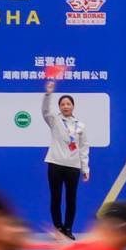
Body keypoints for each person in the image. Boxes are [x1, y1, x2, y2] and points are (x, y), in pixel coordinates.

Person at [41, 80, 90, 238]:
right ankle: (58, 228)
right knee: (56, 198)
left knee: (71, 199)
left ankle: (68, 229)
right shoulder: (54, 120)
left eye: (68, 104)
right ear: (60, 107)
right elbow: (45, 111)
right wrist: (48, 93)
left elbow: (84, 148)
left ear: (73, 106)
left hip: (73, 167)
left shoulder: (80, 125)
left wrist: (85, 168)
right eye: (62, 104)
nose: (66, 106)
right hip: (55, 164)